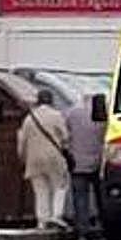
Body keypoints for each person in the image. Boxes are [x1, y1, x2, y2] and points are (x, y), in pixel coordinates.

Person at [17, 89, 71, 230]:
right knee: (59, 186)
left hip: (33, 160)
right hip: (54, 157)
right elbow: (65, 137)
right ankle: (56, 215)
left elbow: (22, 143)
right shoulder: (56, 116)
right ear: (51, 101)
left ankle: (42, 220)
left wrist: (23, 158)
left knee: (40, 191)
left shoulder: (29, 119)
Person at [66, 94, 106, 240]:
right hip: (99, 161)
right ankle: (104, 225)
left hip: (78, 162)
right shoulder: (104, 115)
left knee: (80, 198)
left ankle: (83, 230)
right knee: (101, 197)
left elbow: (66, 136)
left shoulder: (72, 114)